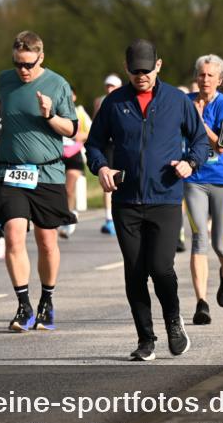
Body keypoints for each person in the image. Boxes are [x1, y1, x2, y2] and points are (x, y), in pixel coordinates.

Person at [85, 39, 208, 362]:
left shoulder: (177, 100)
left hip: (165, 198)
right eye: (135, 70)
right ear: (127, 69)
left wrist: (189, 163)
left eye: (147, 69)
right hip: (126, 201)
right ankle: (145, 339)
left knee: (161, 268)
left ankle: (173, 322)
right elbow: (94, 145)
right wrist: (101, 167)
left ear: (158, 65)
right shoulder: (115, 103)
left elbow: (199, 141)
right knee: (135, 271)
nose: (141, 76)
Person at [0, 31, 77, 333]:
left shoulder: (57, 84)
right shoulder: (4, 81)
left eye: (29, 64)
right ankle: (23, 305)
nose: (23, 71)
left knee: (46, 241)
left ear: (41, 57)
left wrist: (50, 115)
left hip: (48, 173)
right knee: (14, 236)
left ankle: (47, 302)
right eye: (18, 64)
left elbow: (72, 129)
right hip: (12, 172)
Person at [184, 55, 223, 325]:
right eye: (201, 75)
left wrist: (198, 121)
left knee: (219, 243)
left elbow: (222, 146)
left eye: (210, 76)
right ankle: (201, 303)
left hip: (222, 179)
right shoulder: (186, 102)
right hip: (194, 178)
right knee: (198, 239)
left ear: (220, 79)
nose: (205, 80)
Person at [59, 89, 93, 238]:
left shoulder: (79, 112)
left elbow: (92, 132)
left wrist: (79, 136)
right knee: (59, 190)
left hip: (74, 154)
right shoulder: (55, 111)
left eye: (70, 94)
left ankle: (70, 217)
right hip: (59, 155)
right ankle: (64, 213)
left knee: (69, 189)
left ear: (74, 96)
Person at [97, 74, 123, 235]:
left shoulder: (124, 99)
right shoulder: (101, 102)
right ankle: (109, 218)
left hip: (121, 144)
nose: (109, 89)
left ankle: (119, 214)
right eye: (108, 86)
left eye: (113, 86)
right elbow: (97, 124)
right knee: (108, 180)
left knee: (121, 180)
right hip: (108, 144)